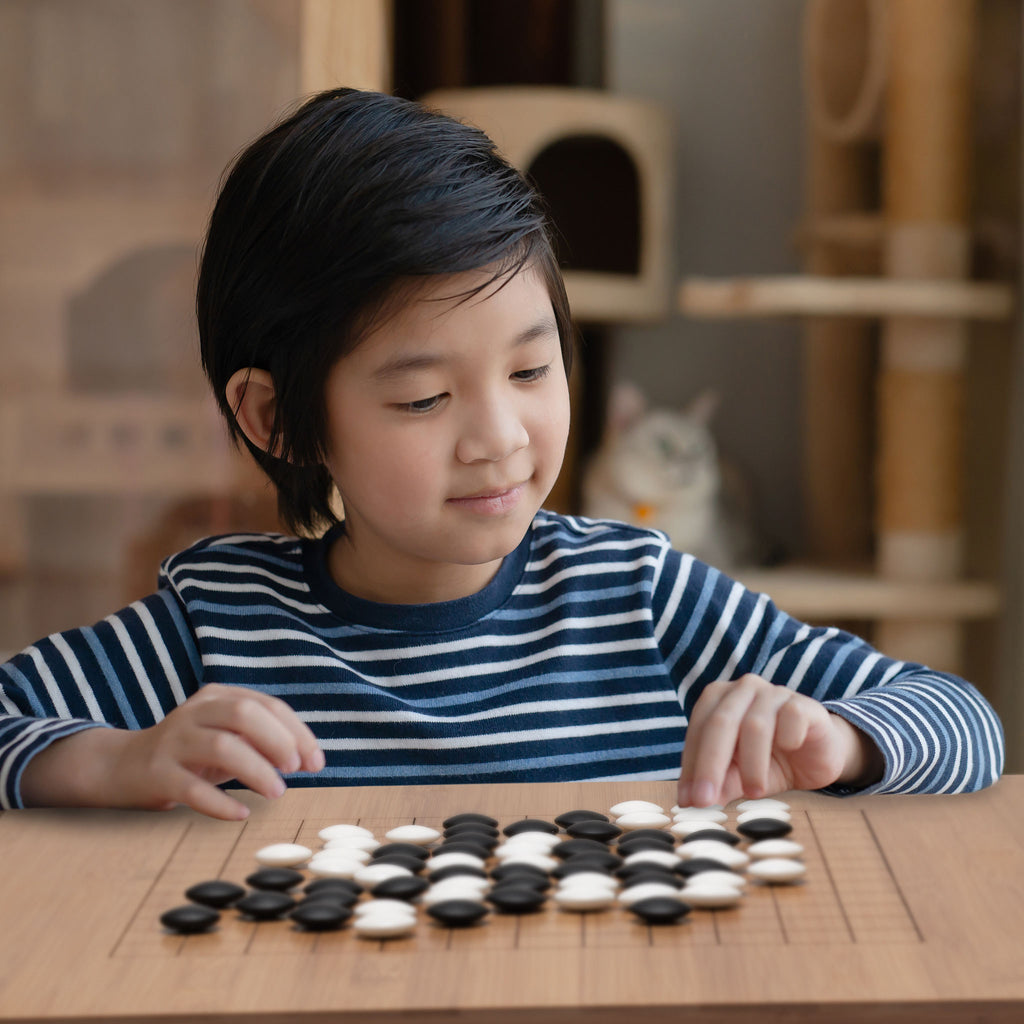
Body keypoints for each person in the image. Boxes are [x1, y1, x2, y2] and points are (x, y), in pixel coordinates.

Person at [0, 89, 1004, 821]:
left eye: (532, 370)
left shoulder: (639, 594)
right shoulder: (220, 621)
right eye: (423, 396)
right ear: (275, 418)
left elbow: (963, 722)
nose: (500, 437)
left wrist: (843, 739)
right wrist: (112, 762)